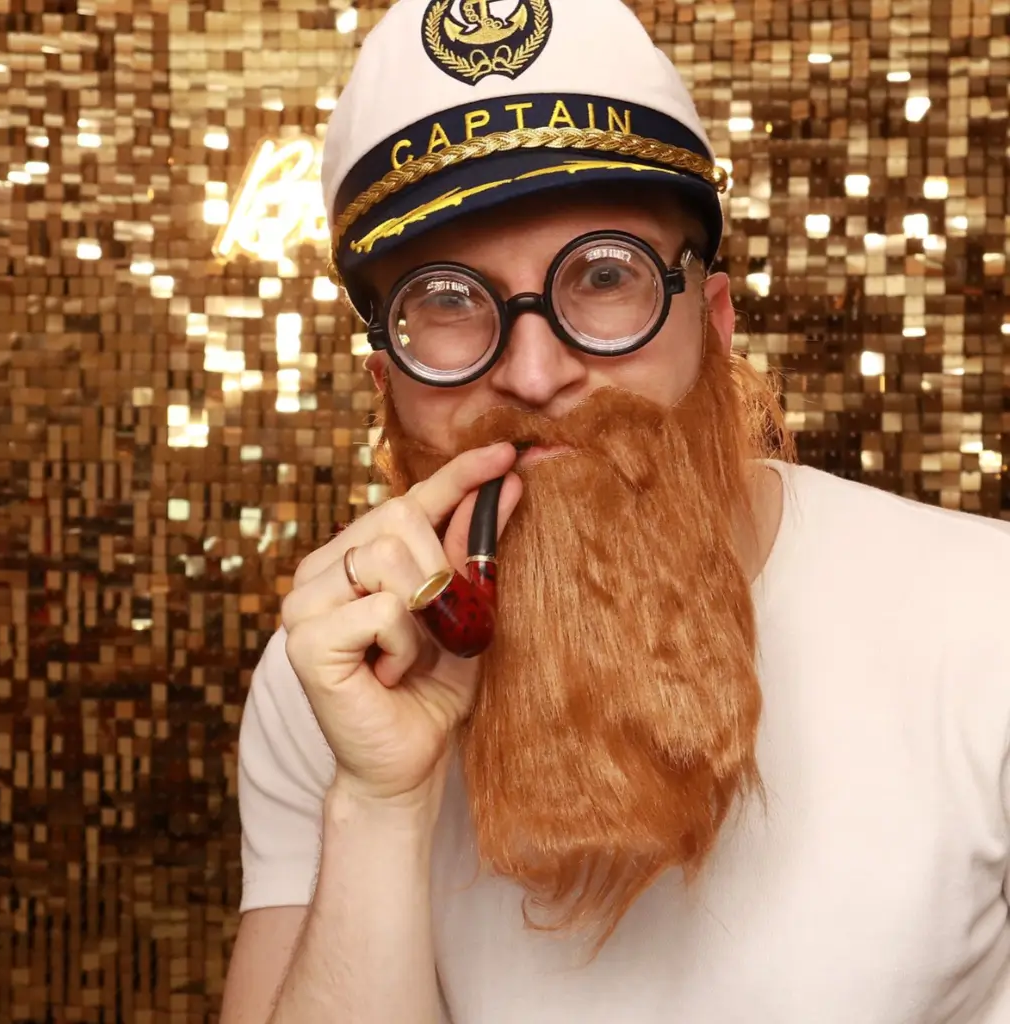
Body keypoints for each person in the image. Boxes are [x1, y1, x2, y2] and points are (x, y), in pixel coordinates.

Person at [220, 1, 1010, 1021]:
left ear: (713, 324)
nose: (534, 372)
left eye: (603, 277)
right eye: (449, 301)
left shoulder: (986, 620)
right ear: (388, 383)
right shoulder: (328, 677)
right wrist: (378, 802)